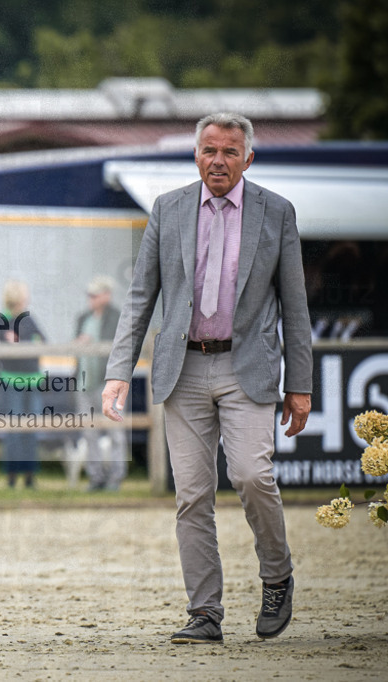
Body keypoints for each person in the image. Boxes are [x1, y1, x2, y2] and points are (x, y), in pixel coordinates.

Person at [102, 113, 312, 644]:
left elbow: (296, 305)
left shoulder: (277, 212)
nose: (218, 160)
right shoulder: (167, 209)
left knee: (250, 476)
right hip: (183, 369)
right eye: (209, 150)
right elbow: (139, 298)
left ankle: (276, 574)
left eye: (230, 151)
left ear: (249, 157)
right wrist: (118, 373)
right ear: (196, 154)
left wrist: (301, 384)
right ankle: (205, 612)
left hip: (250, 369)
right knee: (192, 495)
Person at [74, 275, 127, 491]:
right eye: (90, 294)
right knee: (90, 431)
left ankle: (116, 477)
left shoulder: (117, 317)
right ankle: (95, 477)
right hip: (83, 382)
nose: (91, 298)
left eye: (95, 294)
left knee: (115, 430)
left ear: (106, 295)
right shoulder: (83, 318)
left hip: (108, 383)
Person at [0, 280, 46, 488]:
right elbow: (7, 344)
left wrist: (22, 340)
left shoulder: (29, 318)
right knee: (14, 429)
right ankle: (12, 475)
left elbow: (42, 340)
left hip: (33, 381)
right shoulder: (2, 320)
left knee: (31, 429)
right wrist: (24, 341)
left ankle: (29, 475)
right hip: (11, 381)